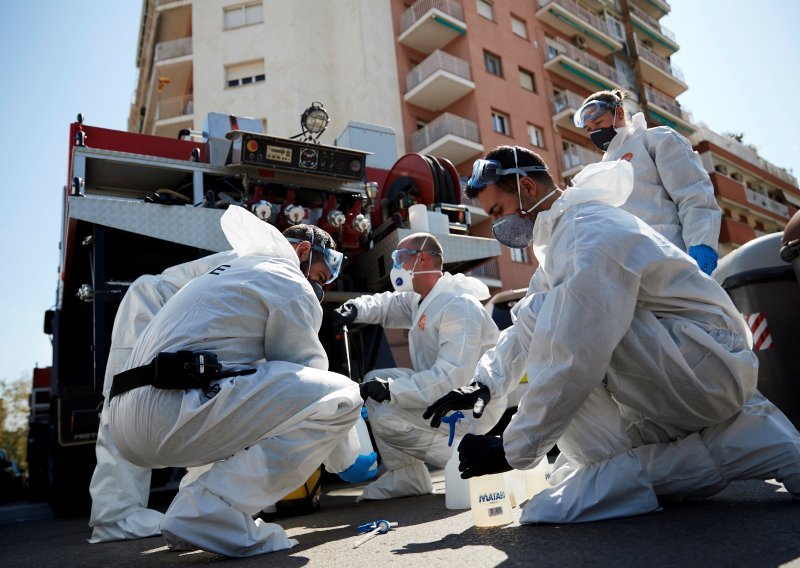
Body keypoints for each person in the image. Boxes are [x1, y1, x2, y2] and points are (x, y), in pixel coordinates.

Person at [424, 145, 800, 524]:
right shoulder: (566, 235)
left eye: (497, 211)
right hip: (690, 363)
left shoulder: (587, 234)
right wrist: (484, 383)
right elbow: (527, 323)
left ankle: (617, 476)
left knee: (563, 324)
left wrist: (512, 448)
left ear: (527, 187)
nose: (498, 226)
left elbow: (571, 353)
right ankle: (749, 440)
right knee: (546, 312)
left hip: (703, 371)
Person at [107, 206, 375, 557]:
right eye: (321, 278)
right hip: (169, 411)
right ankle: (210, 514)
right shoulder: (289, 280)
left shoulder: (230, 270)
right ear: (303, 252)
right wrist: (346, 455)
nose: (319, 288)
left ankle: (188, 522)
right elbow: (309, 377)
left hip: (128, 425)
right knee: (342, 396)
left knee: (245, 396)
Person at [332, 232, 501, 501]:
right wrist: (353, 309)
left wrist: (393, 391)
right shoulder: (423, 300)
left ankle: (474, 459)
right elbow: (387, 305)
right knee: (378, 378)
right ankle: (406, 476)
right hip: (439, 398)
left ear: (422, 259)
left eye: (400, 258)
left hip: (467, 407)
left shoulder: (459, 306)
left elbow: (451, 377)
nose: (396, 266)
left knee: (387, 413)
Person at [89, 249, 239, 543]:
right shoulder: (267, 265)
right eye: (321, 274)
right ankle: (115, 518)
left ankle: (194, 509)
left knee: (204, 404)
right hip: (151, 312)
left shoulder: (257, 256)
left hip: (166, 315)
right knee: (123, 402)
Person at [574, 89, 721, 275]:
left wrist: (701, 241)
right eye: (589, 129)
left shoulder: (656, 139)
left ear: (619, 113)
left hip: (674, 257)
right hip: (631, 271)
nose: (594, 132)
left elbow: (692, 192)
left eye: (597, 122)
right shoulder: (599, 173)